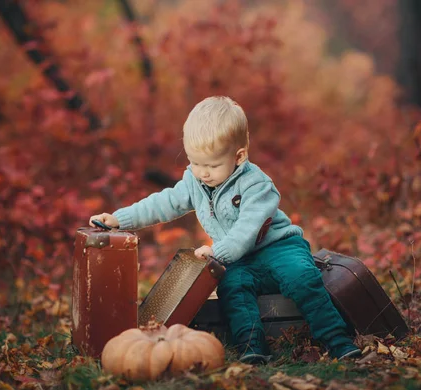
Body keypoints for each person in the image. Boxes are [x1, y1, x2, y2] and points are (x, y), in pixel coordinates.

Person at [89, 96, 361, 364]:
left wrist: (217, 251)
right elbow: (163, 203)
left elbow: (247, 230)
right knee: (233, 287)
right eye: (195, 163)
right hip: (240, 260)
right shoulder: (194, 180)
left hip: (278, 248)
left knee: (301, 278)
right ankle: (252, 346)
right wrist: (119, 219)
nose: (203, 173)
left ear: (239, 156)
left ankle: (337, 340)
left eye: (212, 165)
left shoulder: (257, 185)